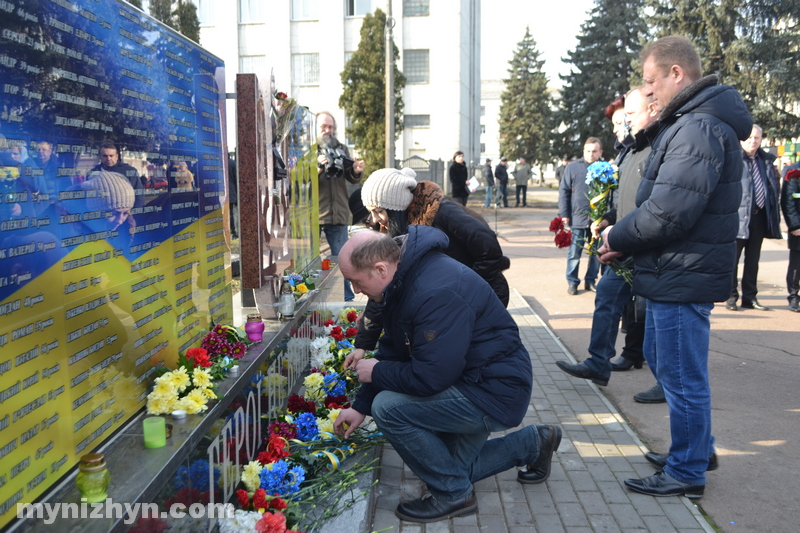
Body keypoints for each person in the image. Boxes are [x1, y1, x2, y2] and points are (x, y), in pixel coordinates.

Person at [598, 35, 752, 498]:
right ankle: (696, 450)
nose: (647, 92)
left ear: (676, 74)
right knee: (675, 368)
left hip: (684, 272)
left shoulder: (698, 128)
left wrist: (616, 237)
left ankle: (687, 471)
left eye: (650, 82)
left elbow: (669, 211)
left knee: (682, 378)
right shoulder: (694, 123)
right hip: (679, 269)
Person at [333, 228, 562, 523]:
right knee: (452, 469)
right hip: (474, 379)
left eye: (355, 281)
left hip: (491, 392)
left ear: (380, 269)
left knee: (389, 408)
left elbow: (431, 378)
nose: (356, 290)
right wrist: (359, 406)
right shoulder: (403, 278)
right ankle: (534, 443)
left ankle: (454, 496)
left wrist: (376, 372)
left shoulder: (434, 291)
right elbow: (395, 347)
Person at [556, 88, 658, 387]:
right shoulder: (628, 150)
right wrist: (607, 218)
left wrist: (620, 234)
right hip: (625, 244)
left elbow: (654, 203)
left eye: (628, 116)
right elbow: (624, 199)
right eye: (620, 119)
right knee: (606, 296)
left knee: (655, 315)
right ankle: (598, 362)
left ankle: (666, 383)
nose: (623, 124)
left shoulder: (658, 147)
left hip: (646, 246)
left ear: (651, 110)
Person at [726, 125, 782, 311]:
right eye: (750, 138)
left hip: (758, 217)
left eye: (757, 138)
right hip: (737, 217)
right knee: (732, 261)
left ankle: (750, 298)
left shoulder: (765, 160)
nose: (753, 141)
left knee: (752, 261)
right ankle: (731, 296)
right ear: (742, 139)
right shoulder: (733, 159)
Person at [316, 111, 365, 301]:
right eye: (323, 127)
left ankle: (346, 299)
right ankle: (315, 297)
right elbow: (298, 178)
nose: (327, 130)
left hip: (339, 212)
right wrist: (318, 167)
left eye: (331, 127)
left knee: (342, 259)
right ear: (316, 128)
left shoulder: (341, 148)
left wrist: (355, 170)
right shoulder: (308, 149)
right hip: (314, 214)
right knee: (312, 262)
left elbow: (350, 176)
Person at [558, 138, 602, 295]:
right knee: (574, 252)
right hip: (577, 218)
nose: (591, 154)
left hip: (598, 220)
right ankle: (572, 281)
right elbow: (564, 191)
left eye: (594, 151)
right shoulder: (573, 167)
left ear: (600, 152)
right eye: (588, 151)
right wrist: (564, 214)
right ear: (583, 151)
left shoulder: (606, 168)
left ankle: (590, 281)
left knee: (596, 253)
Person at [91, 140, 144, 207]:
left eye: (111, 156)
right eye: (105, 156)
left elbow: (138, 194)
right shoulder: (93, 173)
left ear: (117, 156)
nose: (108, 158)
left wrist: (137, 214)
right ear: (100, 156)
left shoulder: (130, 171)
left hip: (126, 214)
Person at [781, 166, 800, 312]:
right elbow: (789, 200)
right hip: (799, 229)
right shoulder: (794, 173)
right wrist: (794, 225)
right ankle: (794, 297)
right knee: (796, 265)